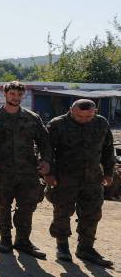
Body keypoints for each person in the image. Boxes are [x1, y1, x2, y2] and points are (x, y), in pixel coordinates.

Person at [45, 99, 116, 267]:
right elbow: (47, 151)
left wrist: (108, 173)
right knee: (62, 212)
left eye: (88, 116)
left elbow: (108, 149)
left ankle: (86, 248)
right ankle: (62, 247)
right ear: (71, 110)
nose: (84, 119)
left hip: (92, 178)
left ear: (95, 112)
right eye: (79, 116)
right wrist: (49, 173)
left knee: (92, 213)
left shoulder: (101, 123)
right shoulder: (57, 124)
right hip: (64, 178)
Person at [0, 81, 51, 258]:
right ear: (5, 94)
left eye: (19, 95)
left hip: (27, 171)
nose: (16, 98)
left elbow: (45, 142)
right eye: (12, 94)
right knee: (2, 205)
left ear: (23, 96)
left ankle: (23, 241)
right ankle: (5, 239)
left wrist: (46, 161)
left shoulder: (32, 118)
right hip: (2, 171)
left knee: (27, 207)